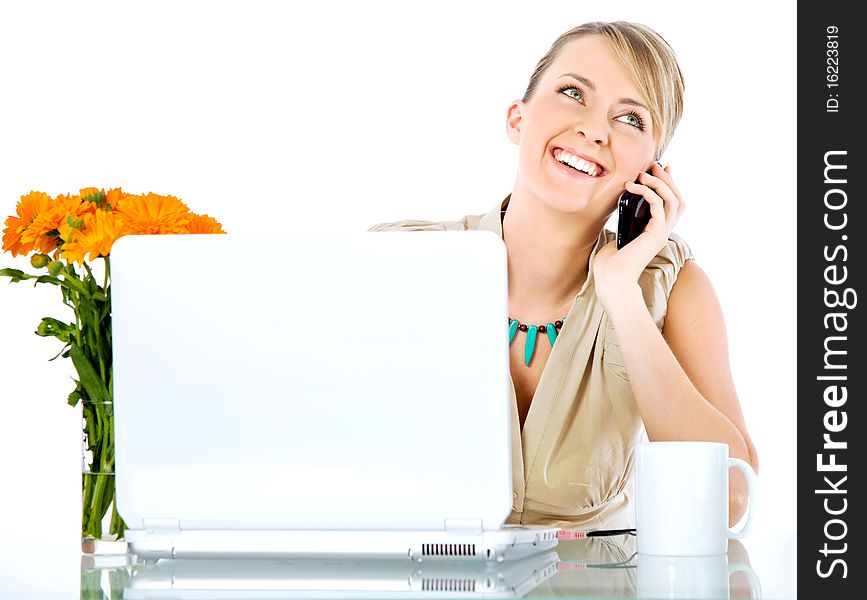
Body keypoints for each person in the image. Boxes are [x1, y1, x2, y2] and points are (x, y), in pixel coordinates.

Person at [369, 21, 758, 530]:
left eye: (631, 120)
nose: (595, 130)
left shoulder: (673, 288)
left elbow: (729, 501)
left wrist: (621, 294)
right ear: (517, 118)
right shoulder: (397, 261)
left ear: (652, 172)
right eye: (573, 93)